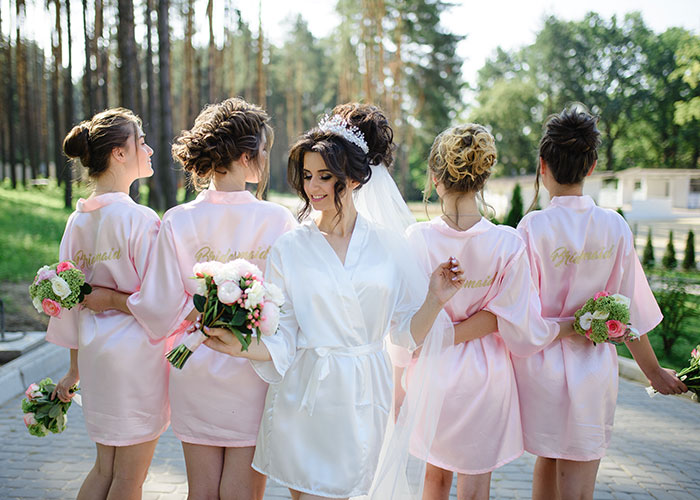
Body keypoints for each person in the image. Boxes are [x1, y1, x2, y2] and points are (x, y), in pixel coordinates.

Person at [203, 114, 465, 500]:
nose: (313, 186)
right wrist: (238, 345)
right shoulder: (289, 247)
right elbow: (283, 335)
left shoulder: (389, 247)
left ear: (355, 178)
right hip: (305, 395)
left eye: (325, 175)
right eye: (307, 176)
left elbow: (403, 336)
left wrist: (435, 299)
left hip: (364, 393)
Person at [87, 98, 296, 500]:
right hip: (250, 367)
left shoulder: (178, 219)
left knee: (200, 490)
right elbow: (287, 303)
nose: (266, 159)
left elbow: (158, 308)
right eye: (264, 150)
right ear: (245, 154)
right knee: (242, 493)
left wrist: (116, 302)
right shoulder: (278, 220)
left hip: (194, 366)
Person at [512, 106, 688, 500]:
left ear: (543, 165)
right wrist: (654, 372)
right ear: (591, 166)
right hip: (591, 374)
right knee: (578, 484)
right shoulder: (614, 226)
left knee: (548, 458)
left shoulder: (532, 227)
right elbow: (630, 316)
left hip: (540, 372)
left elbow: (519, 311)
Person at [405, 124, 562, 500]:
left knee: (434, 479)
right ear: (483, 178)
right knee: (476, 487)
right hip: (486, 379)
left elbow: (408, 320)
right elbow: (510, 319)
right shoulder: (507, 243)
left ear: (435, 178)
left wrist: (441, 336)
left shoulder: (416, 240)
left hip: (432, 373)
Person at [47, 108, 168, 500]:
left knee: (104, 469)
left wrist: (73, 370)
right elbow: (159, 302)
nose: (148, 149)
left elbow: (67, 302)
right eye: (141, 141)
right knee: (129, 479)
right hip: (136, 362)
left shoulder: (76, 222)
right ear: (119, 153)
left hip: (97, 359)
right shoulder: (140, 220)